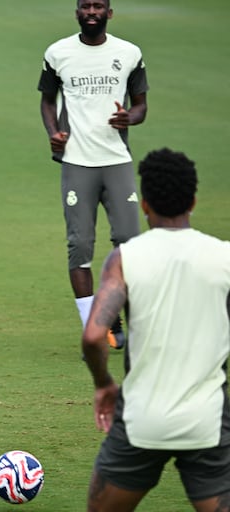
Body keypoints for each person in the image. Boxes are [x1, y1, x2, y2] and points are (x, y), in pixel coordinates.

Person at [81, 148, 230, 511]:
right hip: (207, 423)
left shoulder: (124, 259)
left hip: (141, 421)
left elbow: (94, 336)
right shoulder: (224, 257)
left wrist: (103, 384)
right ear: (193, 202)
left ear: (144, 204)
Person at [38, 0, 149, 349]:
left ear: (109, 13)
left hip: (116, 160)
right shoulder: (58, 53)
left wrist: (129, 117)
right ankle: (94, 331)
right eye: (85, 6)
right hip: (77, 162)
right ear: (76, 13)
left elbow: (141, 105)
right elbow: (47, 101)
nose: (91, 11)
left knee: (129, 244)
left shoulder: (129, 53)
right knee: (80, 246)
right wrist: (54, 133)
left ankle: (127, 320)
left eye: (98, 6)